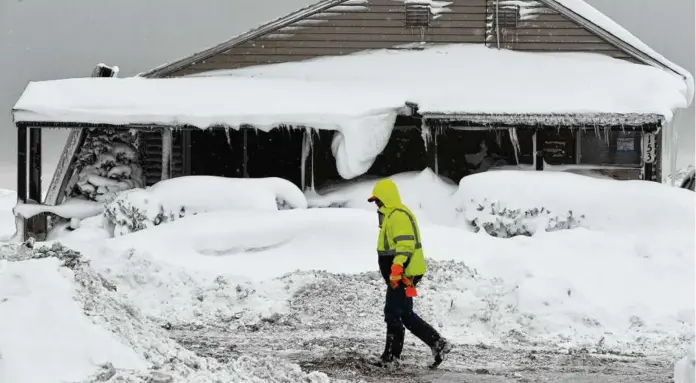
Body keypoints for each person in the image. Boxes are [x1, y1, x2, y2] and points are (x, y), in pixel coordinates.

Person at [367, 178, 452, 369]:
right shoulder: (391, 215)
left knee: (392, 313)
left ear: (386, 198)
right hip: (402, 273)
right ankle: (438, 344)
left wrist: (396, 270)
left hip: (403, 273)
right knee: (405, 314)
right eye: (375, 201)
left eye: (378, 200)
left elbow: (405, 245)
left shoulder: (397, 215)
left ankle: (391, 358)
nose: (377, 204)